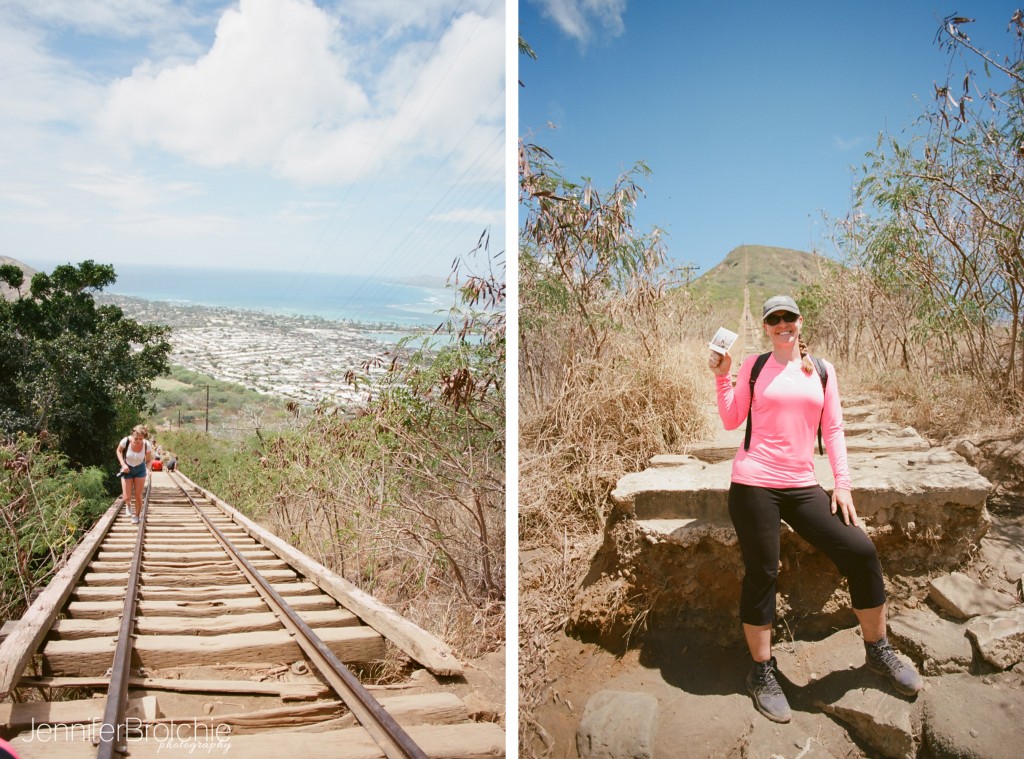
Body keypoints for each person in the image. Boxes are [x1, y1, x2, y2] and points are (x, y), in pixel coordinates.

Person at [708, 294, 922, 723]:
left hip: (803, 485)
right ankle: (761, 673)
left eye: (789, 317)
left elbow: (834, 428)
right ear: (767, 327)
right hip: (754, 483)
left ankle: (877, 651)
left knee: (860, 551)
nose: (782, 324)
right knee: (764, 571)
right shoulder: (752, 366)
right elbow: (732, 421)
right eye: (774, 320)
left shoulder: (821, 371)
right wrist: (722, 377)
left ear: (800, 323)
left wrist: (842, 484)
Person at [115, 424, 153, 525]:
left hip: (140, 470)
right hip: (127, 469)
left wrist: (148, 470)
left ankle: (136, 516)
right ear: (133, 435)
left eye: (141, 439)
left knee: (138, 495)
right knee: (126, 496)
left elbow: (149, 460)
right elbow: (118, 451)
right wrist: (123, 464)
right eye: (136, 438)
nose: (138, 441)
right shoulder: (126, 441)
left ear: (144, 437)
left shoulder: (146, 444)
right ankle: (128, 505)